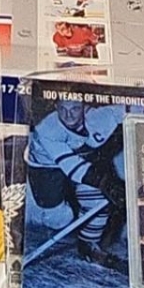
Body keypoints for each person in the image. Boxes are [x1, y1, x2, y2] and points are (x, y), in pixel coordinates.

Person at [26, 100, 124, 267]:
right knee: (59, 220)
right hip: (46, 167)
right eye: (63, 109)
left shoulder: (102, 115)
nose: (69, 116)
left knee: (97, 198)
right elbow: (75, 169)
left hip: (82, 159)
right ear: (55, 107)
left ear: (85, 107)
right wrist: (108, 184)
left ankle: (89, 245)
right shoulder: (46, 128)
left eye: (75, 109)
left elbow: (140, 107)